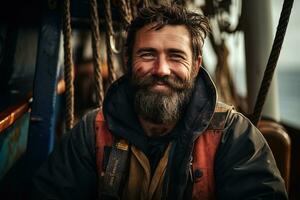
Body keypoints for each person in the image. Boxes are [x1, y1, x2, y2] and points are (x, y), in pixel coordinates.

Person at [32, 4, 288, 200]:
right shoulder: (93, 131)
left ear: (196, 65)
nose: (161, 69)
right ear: (128, 61)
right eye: (147, 54)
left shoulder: (233, 135)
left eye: (176, 56)